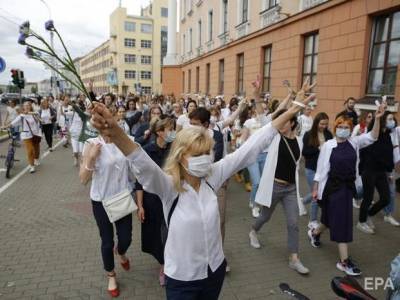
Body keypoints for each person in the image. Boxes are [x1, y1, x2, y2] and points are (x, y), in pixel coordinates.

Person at [89, 79, 315, 300]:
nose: (204, 159)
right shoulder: (168, 186)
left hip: (214, 272)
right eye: (196, 154)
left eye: (207, 152)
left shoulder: (213, 175)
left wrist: (295, 108)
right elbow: (140, 160)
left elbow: (254, 144)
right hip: (182, 280)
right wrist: (115, 131)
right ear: (180, 157)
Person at [308, 106, 384, 276]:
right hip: (332, 188)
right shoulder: (329, 145)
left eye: (346, 127)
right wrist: (315, 189)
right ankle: (344, 262)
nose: (343, 130)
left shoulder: (354, 142)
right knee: (342, 222)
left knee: (328, 219)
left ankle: (314, 233)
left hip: (347, 187)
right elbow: (320, 169)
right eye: (340, 127)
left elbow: (373, 136)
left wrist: (378, 119)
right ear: (335, 129)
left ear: (351, 129)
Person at [250, 100, 311, 275]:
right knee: (265, 216)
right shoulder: (275, 137)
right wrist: (256, 95)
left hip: (291, 189)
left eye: (285, 120)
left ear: (292, 122)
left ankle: (294, 258)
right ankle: (253, 231)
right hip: (274, 187)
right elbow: (262, 117)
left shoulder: (299, 142)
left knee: (293, 223)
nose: (281, 124)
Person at [79, 114, 134, 298]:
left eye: (108, 122)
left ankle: (121, 252)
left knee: (126, 239)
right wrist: (92, 158)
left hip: (122, 198)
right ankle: (111, 275)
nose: (105, 126)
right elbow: (83, 179)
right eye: (101, 124)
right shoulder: (91, 144)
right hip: (101, 200)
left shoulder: (125, 140)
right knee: (107, 241)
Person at [136, 117, 175, 286]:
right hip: (152, 200)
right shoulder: (147, 151)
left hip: (172, 197)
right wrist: (140, 205)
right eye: (169, 129)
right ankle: (163, 265)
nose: (173, 132)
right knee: (156, 234)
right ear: (159, 132)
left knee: (171, 232)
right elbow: (140, 181)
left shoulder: (175, 150)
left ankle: (170, 264)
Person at [357, 112, 397, 234]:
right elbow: (364, 153)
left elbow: (389, 155)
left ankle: (368, 214)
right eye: (390, 119)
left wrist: (390, 172)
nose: (393, 121)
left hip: (381, 171)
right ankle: (361, 222)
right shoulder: (373, 135)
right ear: (383, 120)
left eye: (393, 119)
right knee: (368, 198)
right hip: (369, 170)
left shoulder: (387, 135)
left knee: (386, 198)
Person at [302, 112, 333, 228]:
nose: (324, 126)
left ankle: (303, 201)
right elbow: (305, 152)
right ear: (316, 123)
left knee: (318, 191)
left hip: (325, 169)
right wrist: (318, 149)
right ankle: (313, 220)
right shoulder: (308, 135)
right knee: (316, 194)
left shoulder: (328, 134)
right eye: (322, 124)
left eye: (326, 124)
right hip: (312, 169)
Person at [8, 101, 42, 173]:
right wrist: (5, 126)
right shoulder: (21, 116)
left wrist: (29, 113)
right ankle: (32, 166)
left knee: (36, 149)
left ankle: (36, 158)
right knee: (30, 151)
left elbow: (38, 115)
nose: (26, 107)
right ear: (23, 107)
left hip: (35, 134)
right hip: (26, 135)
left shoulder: (35, 113)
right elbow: (13, 123)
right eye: (25, 106)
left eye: (28, 105)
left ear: (30, 106)